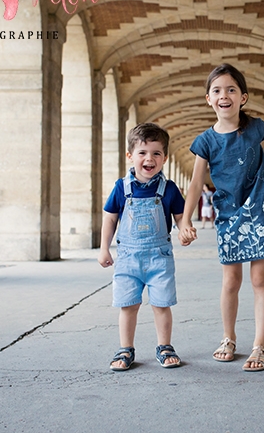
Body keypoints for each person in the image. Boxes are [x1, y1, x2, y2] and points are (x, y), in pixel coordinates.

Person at [178, 63, 264, 372]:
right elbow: (194, 183)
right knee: (231, 280)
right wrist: (185, 220)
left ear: (243, 97)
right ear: (208, 99)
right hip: (229, 213)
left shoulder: (255, 127)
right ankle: (228, 337)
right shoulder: (205, 141)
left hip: (261, 207)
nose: (224, 95)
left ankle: (261, 345)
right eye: (217, 90)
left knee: (259, 279)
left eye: (231, 89)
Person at [98, 123, 185, 371]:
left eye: (157, 153)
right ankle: (125, 348)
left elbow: (179, 216)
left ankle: (164, 346)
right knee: (128, 305)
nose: (150, 159)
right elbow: (110, 218)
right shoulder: (121, 187)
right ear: (130, 156)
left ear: (165, 158)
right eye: (143, 153)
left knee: (161, 304)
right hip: (127, 257)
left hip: (160, 256)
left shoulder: (168, 189)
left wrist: (185, 229)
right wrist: (104, 247)